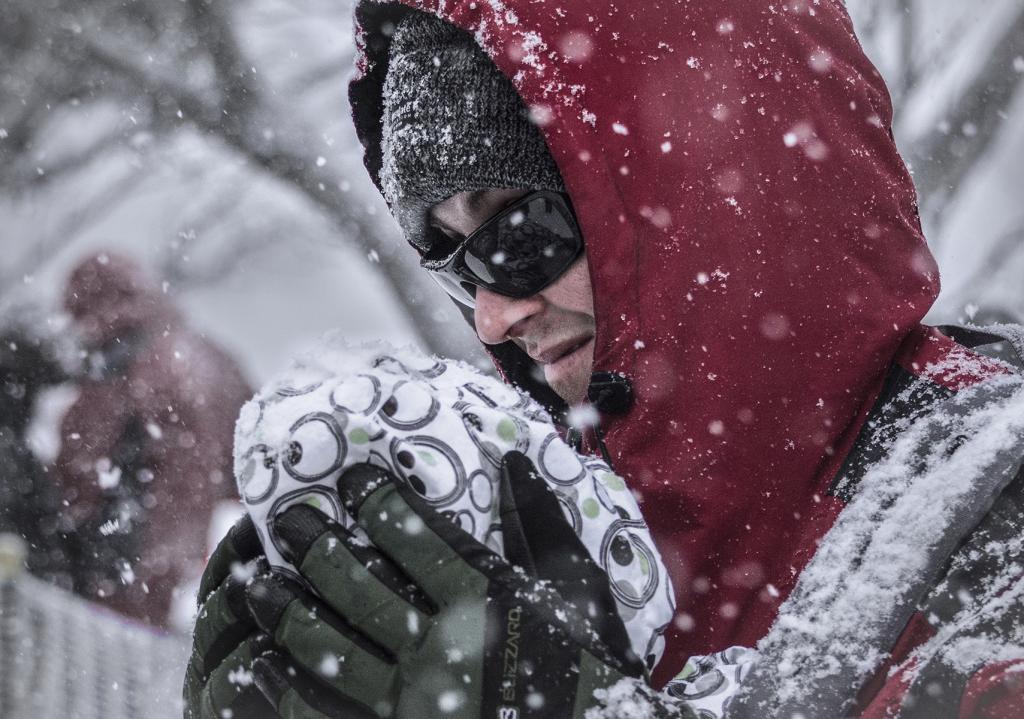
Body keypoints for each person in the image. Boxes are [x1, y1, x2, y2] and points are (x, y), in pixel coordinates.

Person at [186, 2, 1024, 717]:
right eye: (449, 258)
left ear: (712, 197)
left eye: (521, 234)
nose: (491, 315)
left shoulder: (990, 519)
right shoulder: (542, 536)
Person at [57, 252, 252, 627]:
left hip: (128, 560)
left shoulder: (132, 367)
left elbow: (82, 460)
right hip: (188, 556)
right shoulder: (205, 355)